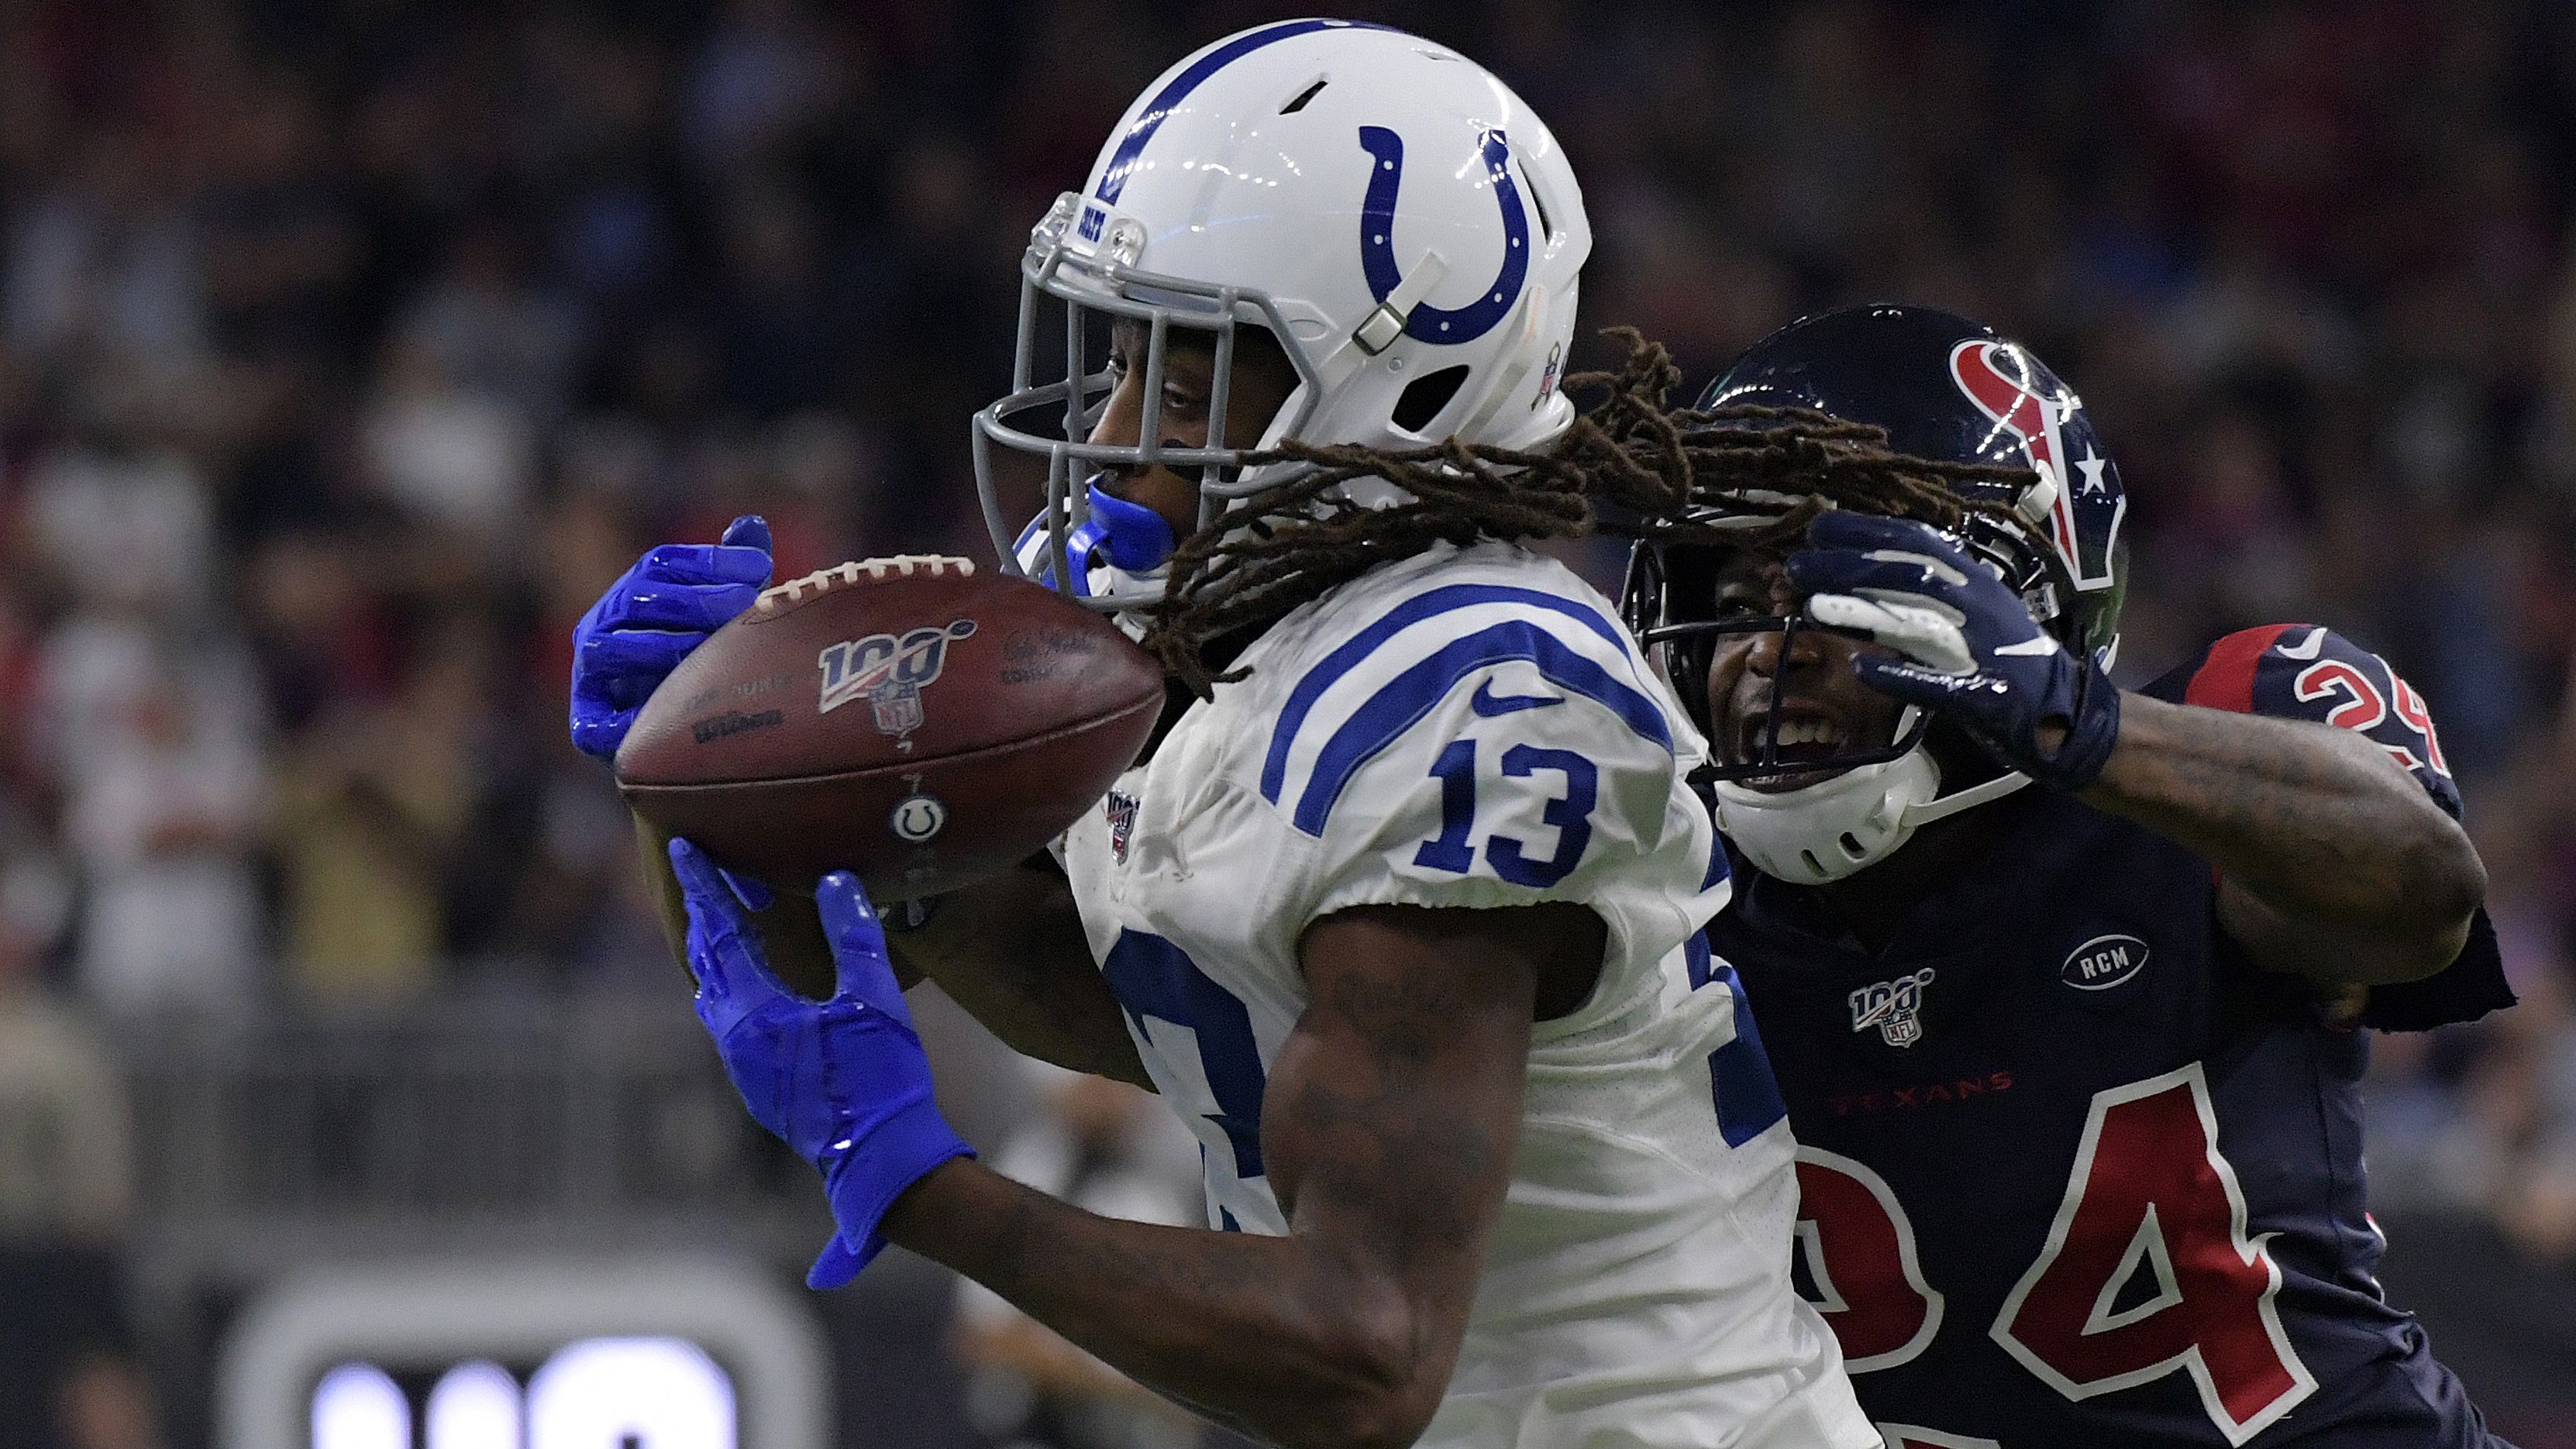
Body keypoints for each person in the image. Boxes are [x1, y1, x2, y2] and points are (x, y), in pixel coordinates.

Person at [570, 22, 1876, 1449]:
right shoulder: (1201, 628)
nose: (1121, 432)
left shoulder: (1478, 688)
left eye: (1185, 388)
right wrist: (707, 773)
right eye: (1121, 358)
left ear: (1400, 389)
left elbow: (1366, 1347)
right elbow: (1119, 998)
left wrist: (925, 1187)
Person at [1613, 304, 2519, 1447]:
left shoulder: (2215, 750)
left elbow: (2424, 899)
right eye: (1738, 604)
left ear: (2021, 605)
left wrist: (2085, 727)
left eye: (1848, 593)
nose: (1767, 651)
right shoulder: (1666, 905)